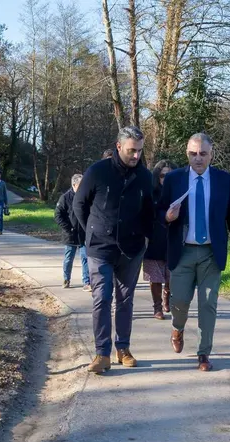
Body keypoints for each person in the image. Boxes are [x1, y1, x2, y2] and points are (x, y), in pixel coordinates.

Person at [158, 132, 230, 372]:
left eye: (203, 154)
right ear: (187, 154)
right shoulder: (174, 179)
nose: (198, 159)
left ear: (211, 155)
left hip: (210, 253)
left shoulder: (223, 180)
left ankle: (203, 353)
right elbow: (158, 213)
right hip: (182, 251)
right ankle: (177, 328)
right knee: (179, 303)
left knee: (208, 304)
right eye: (193, 154)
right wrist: (167, 216)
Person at [73, 126, 153, 374]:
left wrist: (147, 241)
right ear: (119, 147)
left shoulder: (145, 177)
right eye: (132, 151)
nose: (136, 156)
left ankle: (123, 348)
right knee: (102, 297)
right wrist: (92, 232)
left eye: (140, 151)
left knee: (125, 300)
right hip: (100, 248)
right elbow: (79, 204)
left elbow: (149, 212)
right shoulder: (98, 172)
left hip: (131, 249)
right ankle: (102, 353)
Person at [145, 160, 173, 319]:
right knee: (155, 277)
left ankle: (166, 299)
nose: (165, 179)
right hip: (155, 240)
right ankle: (157, 307)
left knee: (172, 276)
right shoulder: (151, 192)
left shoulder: (177, 192)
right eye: (163, 175)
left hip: (173, 240)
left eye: (169, 175)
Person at [55, 173, 90, 291]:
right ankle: (66, 279)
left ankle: (87, 282)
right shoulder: (65, 198)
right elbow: (58, 215)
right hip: (70, 235)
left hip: (84, 234)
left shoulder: (87, 197)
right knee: (69, 258)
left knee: (85, 257)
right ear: (74, 185)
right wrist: (68, 228)